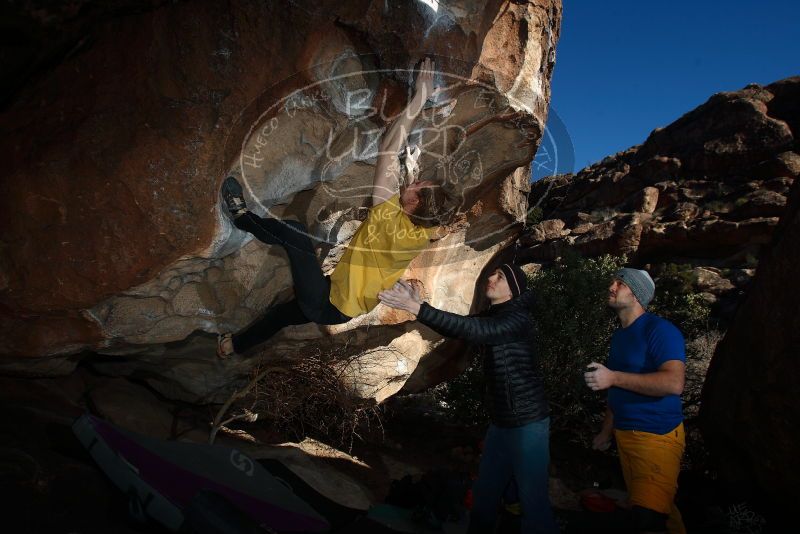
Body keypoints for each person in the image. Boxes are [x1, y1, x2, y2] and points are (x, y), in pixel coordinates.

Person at [217, 58, 455, 358]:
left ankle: (241, 217)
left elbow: (389, 147)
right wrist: (410, 173)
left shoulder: (389, 222)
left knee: (296, 234)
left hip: (327, 302)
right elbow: (428, 205)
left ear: (413, 204)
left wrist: (420, 97)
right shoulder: (423, 228)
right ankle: (232, 346)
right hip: (341, 304)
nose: (417, 182)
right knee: (281, 316)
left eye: (419, 187)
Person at [378, 264, 558, 534]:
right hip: (501, 424)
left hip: (528, 424)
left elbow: (477, 331)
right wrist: (419, 304)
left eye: (500, 276)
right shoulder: (497, 315)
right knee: (485, 494)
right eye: (493, 273)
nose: (491, 278)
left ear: (514, 289)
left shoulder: (517, 319)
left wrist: (418, 309)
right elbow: (463, 328)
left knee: (533, 503)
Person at [583, 268, 687, 534]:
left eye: (621, 283)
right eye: (614, 281)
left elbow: (673, 383)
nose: (612, 285)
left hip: (656, 436)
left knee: (647, 518)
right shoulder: (620, 337)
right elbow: (617, 389)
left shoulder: (660, 330)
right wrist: (606, 432)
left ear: (638, 294)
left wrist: (614, 377)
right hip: (626, 437)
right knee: (658, 511)